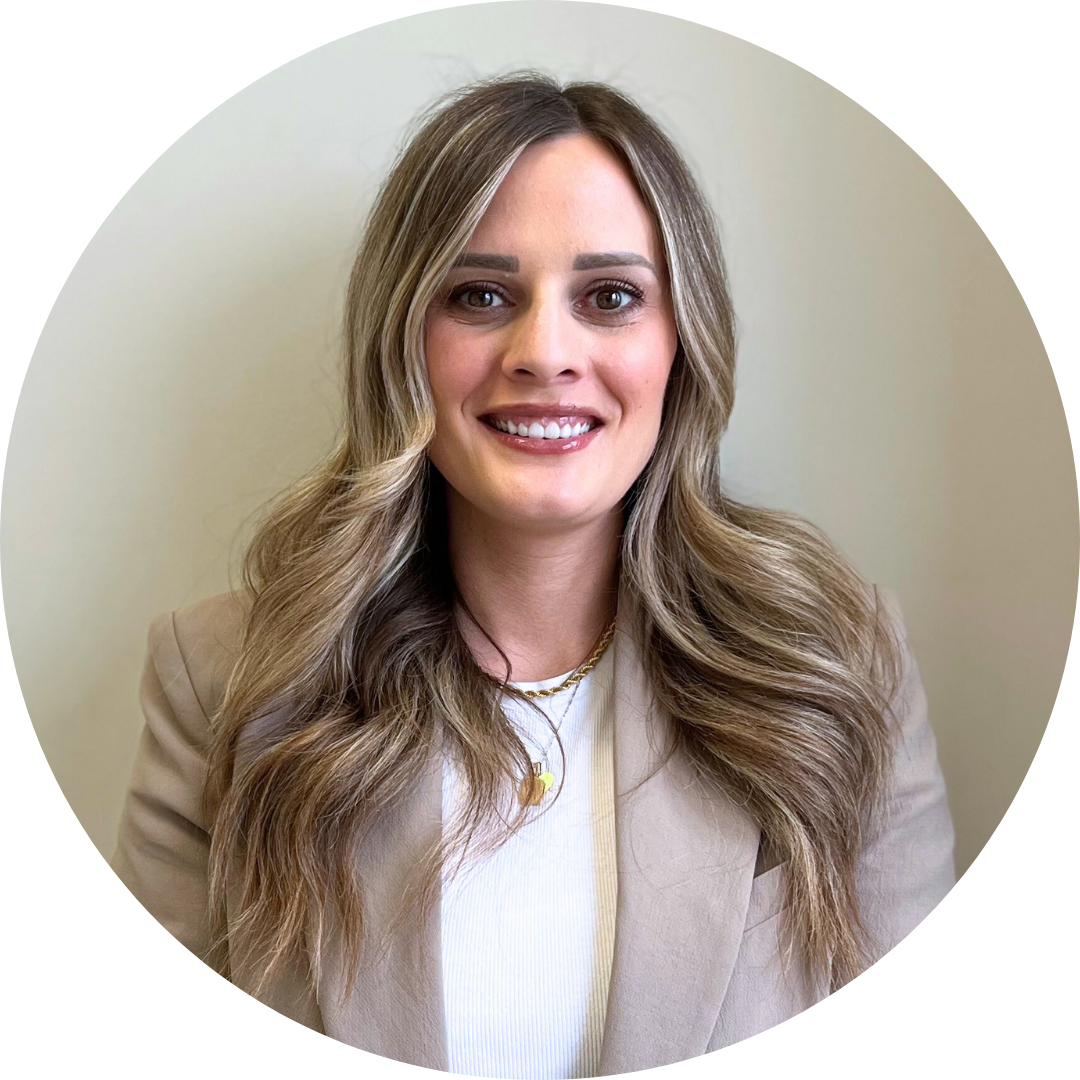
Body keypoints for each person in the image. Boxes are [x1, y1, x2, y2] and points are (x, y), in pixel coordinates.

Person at [111, 72, 955, 1078]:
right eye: (480, 296)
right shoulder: (225, 682)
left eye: (611, 298)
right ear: (402, 343)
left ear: (682, 343)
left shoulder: (840, 666)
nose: (544, 352)